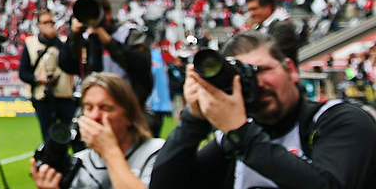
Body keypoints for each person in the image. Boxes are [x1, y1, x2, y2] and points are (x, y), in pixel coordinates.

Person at [150, 30, 376, 189]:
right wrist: (194, 119)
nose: (256, 83)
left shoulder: (341, 120)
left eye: (262, 70)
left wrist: (241, 134)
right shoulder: (231, 141)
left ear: (290, 69)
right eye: (243, 75)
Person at [31, 73, 164, 189]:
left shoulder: (157, 152)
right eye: (89, 108)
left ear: (129, 116)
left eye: (105, 108)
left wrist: (109, 151)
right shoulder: (78, 163)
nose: (95, 116)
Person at [59, 0, 152, 107]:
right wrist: (74, 35)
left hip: (127, 105)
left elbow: (142, 64)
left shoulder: (128, 33)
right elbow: (66, 65)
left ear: (108, 13)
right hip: (95, 105)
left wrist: (109, 42)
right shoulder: (86, 37)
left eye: (94, 12)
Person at [20, 10, 77, 141]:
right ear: (38, 25)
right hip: (42, 97)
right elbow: (23, 73)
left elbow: (71, 63)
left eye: (51, 22)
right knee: (49, 138)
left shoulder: (63, 42)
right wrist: (37, 79)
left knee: (71, 136)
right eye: (45, 22)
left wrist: (55, 40)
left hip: (64, 96)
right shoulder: (30, 43)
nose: (49, 25)